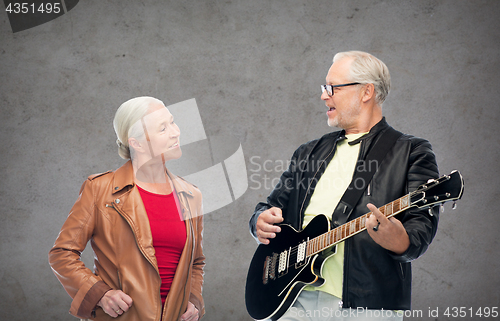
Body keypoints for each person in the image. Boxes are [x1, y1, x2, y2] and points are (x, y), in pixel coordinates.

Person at [249, 51, 439, 320]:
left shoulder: (411, 151)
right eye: (324, 88)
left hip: (365, 306)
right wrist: (259, 220)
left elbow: (420, 231)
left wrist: (399, 239)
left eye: (332, 88)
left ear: (366, 92)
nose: (324, 96)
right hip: (293, 298)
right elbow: (270, 207)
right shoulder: (308, 152)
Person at [49, 96, 205, 321]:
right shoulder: (100, 189)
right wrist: (100, 294)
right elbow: (62, 253)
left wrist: (194, 300)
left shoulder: (191, 195)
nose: (175, 132)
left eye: (172, 122)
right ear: (137, 143)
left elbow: (196, 262)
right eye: (163, 128)